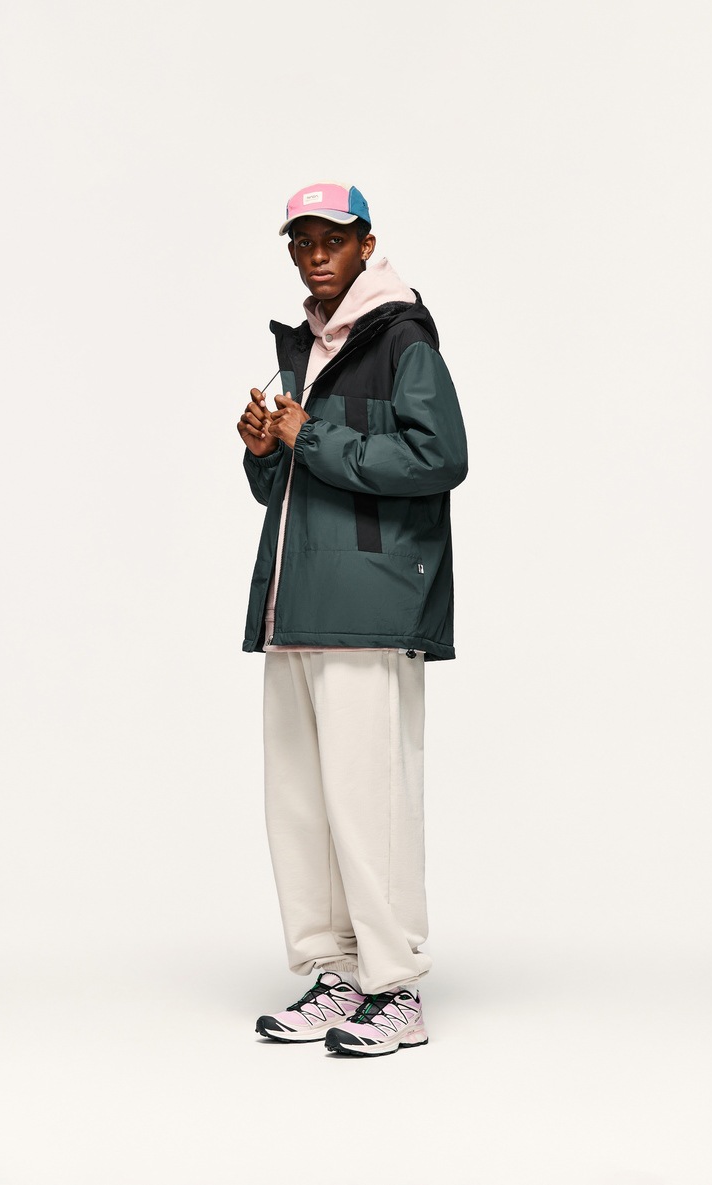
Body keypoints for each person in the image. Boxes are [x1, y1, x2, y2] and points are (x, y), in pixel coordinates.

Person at [236, 182, 468, 1057]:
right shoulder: (308, 346)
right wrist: (267, 453)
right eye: (302, 242)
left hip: (370, 606)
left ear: (366, 244)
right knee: (299, 805)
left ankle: (395, 986)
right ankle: (333, 972)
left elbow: (441, 456)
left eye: (332, 239)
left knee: (369, 803)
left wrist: (309, 436)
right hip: (295, 604)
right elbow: (303, 484)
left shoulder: (402, 337)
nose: (316, 256)